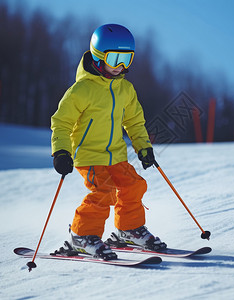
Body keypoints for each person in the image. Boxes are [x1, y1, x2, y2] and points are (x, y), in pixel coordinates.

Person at [50, 24, 167, 260]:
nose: (121, 66)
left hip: (116, 155)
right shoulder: (81, 90)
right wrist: (61, 152)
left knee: (133, 185)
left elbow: (134, 121)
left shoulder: (126, 89)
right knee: (104, 192)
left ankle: (128, 230)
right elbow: (61, 122)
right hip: (89, 156)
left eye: (127, 59)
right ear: (98, 56)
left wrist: (143, 147)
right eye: (115, 59)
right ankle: (82, 236)